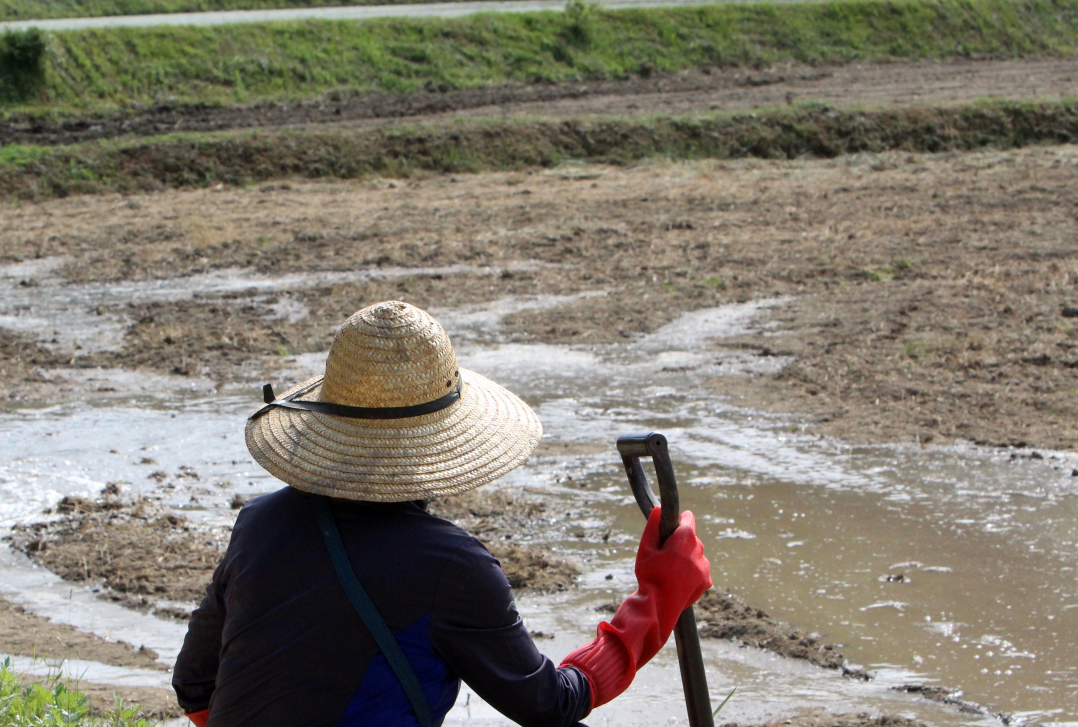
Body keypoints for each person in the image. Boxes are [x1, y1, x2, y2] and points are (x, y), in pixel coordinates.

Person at [172, 301, 711, 727]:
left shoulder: (259, 524)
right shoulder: (450, 565)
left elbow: (195, 685)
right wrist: (657, 599)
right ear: (440, 440)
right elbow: (551, 706)